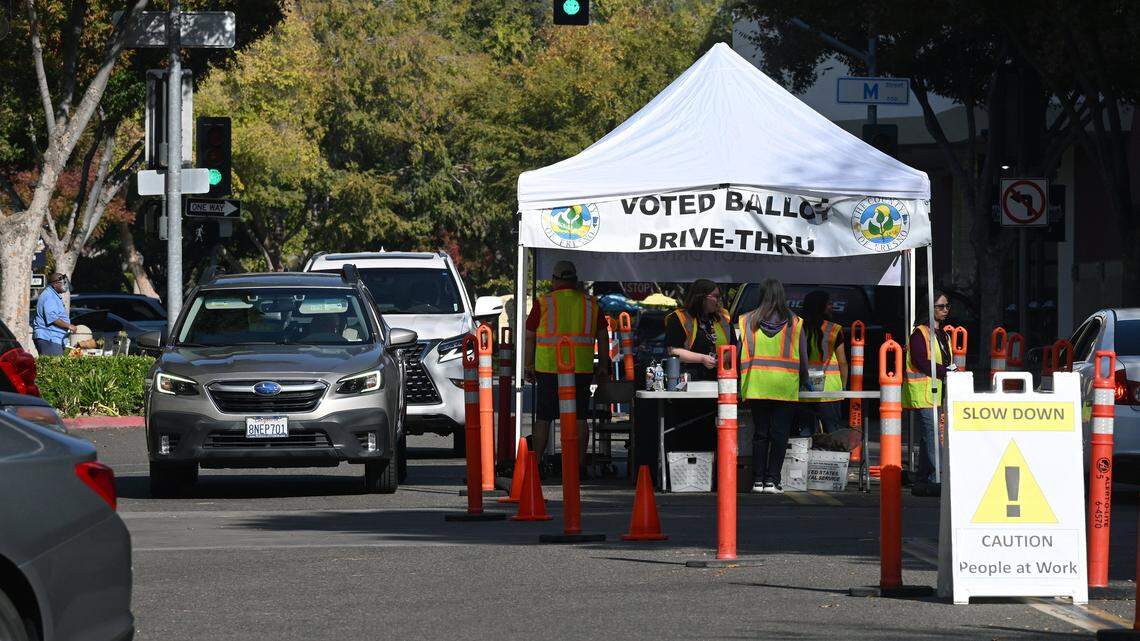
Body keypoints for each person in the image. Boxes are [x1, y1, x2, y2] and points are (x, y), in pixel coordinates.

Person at [524, 260, 611, 477]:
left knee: (544, 417)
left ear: (554, 280)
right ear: (574, 280)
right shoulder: (591, 304)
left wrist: (528, 364)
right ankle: (578, 466)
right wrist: (603, 365)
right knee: (579, 416)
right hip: (580, 369)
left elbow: (529, 336)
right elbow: (602, 334)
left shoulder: (543, 303)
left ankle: (535, 465)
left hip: (549, 369)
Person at [738, 279, 811, 494]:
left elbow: (738, 352)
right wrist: (805, 380)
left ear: (761, 295)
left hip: (756, 386)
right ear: (782, 295)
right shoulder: (795, 322)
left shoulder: (747, 321)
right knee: (779, 435)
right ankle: (773, 481)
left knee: (760, 434)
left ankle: (758, 481)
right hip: (785, 387)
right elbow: (804, 359)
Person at [661, 279, 735, 451]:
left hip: (720, 386)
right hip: (688, 386)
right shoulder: (679, 318)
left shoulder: (723, 318)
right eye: (715, 297)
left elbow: (733, 348)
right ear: (702, 297)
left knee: (714, 435)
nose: (718, 301)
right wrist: (702, 359)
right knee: (689, 435)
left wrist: (723, 361)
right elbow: (673, 351)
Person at [903, 290, 952, 493]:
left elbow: (944, 359)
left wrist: (948, 369)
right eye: (941, 306)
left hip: (936, 391)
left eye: (947, 306)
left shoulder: (943, 334)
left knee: (927, 437)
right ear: (930, 308)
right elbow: (920, 361)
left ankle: (924, 476)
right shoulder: (919, 333)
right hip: (923, 391)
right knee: (932, 435)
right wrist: (945, 371)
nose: (945, 310)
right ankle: (935, 478)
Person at [794, 290, 848, 436]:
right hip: (829, 390)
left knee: (805, 433)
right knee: (833, 433)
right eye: (829, 303)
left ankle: (805, 459)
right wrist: (843, 386)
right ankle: (832, 459)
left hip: (803, 387)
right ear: (821, 306)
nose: (832, 307)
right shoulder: (834, 329)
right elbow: (842, 362)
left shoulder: (797, 328)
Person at [32, 273, 77, 356]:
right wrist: (69, 326)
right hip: (49, 338)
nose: (65, 286)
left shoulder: (53, 295)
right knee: (54, 367)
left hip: (53, 339)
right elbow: (52, 317)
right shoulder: (49, 296)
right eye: (63, 283)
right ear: (55, 284)